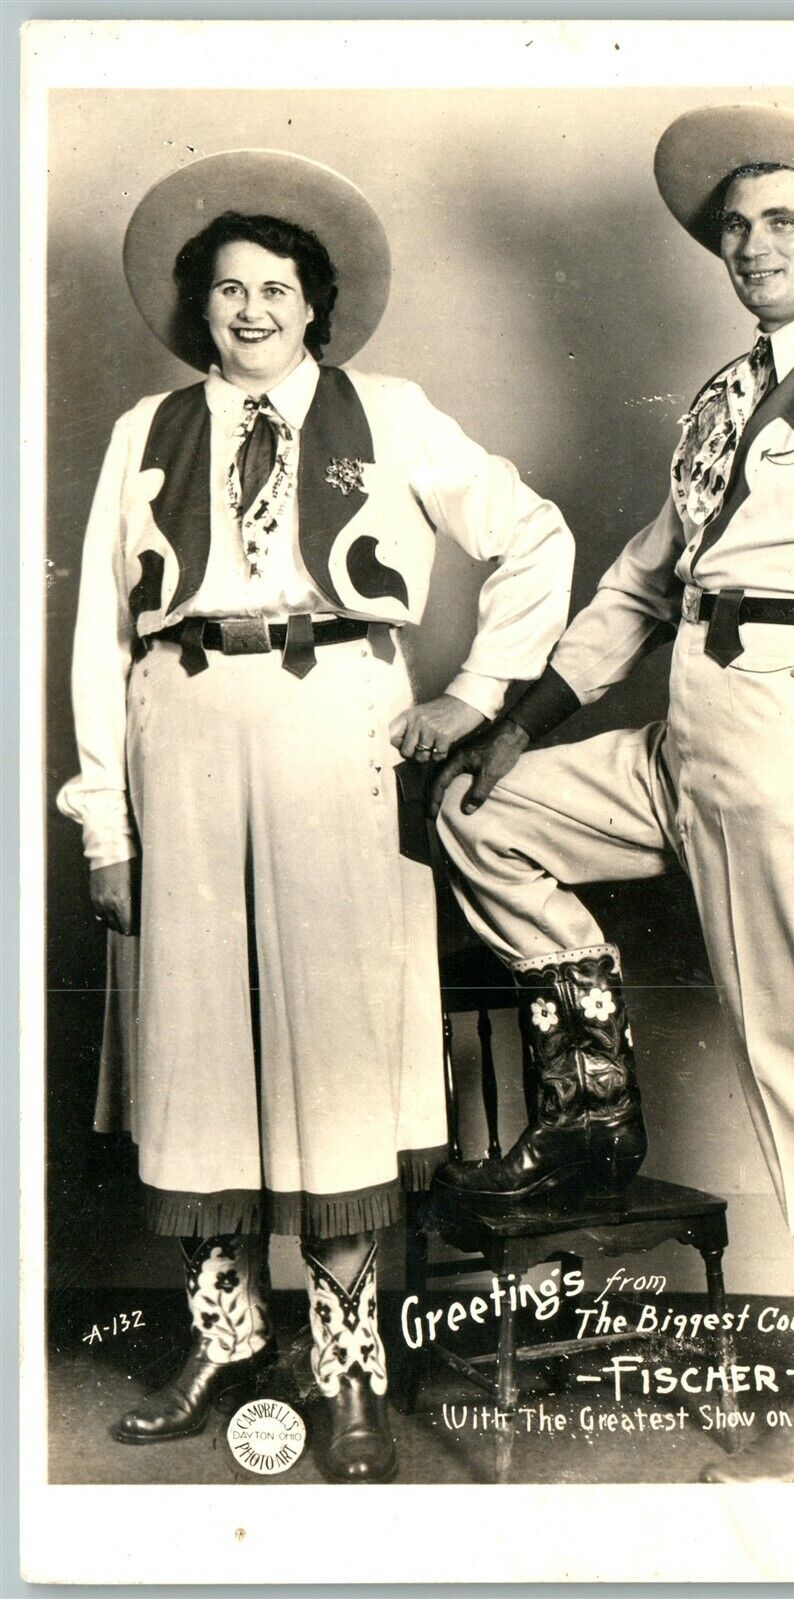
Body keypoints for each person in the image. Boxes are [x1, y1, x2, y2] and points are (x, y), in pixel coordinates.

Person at [431, 104, 794, 1483]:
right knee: (481, 817)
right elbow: (637, 585)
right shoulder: (724, 401)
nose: (749, 245)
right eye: (732, 227)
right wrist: (523, 720)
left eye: (779, 219)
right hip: (687, 731)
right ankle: (592, 1109)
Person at [57, 149, 574, 1483]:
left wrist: (469, 697)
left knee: (338, 1050)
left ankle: (350, 1368)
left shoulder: (389, 414)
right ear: (198, 307)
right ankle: (224, 1338)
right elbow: (94, 638)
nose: (247, 310)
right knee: (195, 1047)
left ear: (314, 303)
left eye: (273, 288)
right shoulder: (141, 436)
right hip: (182, 730)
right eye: (225, 289)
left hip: (338, 727)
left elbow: (534, 538)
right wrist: (103, 821)